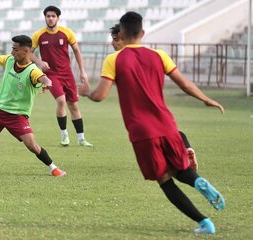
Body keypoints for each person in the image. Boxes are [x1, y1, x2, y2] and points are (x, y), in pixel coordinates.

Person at [79, 12, 225, 234]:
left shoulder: (114, 59)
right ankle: (198, 182)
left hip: (142, 131)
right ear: (142, 32)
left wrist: (86, 92)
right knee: (181, 168)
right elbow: (184, 84)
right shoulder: (159, 55)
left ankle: (205, 222)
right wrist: (206, 99)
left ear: (123, 33)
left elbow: (100, 95)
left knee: (164, 180)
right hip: (167, 125)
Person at [0, 35, 66, 177]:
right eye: (12, 49)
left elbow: (43, 78)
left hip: (17, 116)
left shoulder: (32, 71)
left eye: (15, 50)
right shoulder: (10, 60)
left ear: (26, 51)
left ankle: (54, 168)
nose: (12, 52)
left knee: (32, 146)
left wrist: (48, 83)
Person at [110, 24, 198, 170]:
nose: (113, 43)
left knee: (151, 136)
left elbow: (105, 88)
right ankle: (185, 150)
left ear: (124, 38)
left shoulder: (117, 59)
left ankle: (170, 163)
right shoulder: (152, 54)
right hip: (155, 101)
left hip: (138, 108)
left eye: (115, 39)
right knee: (167, 130)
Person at [31, 5, 93, 147]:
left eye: (53, 16)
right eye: (48, 16)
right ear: (45, 18)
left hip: (67, 74)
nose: (50, 18)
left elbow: (77, 51)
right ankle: (64, 135)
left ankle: (81, 139)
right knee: (61, 101)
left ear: (58, 18)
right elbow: (29, 53)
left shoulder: (67, 33)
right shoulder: (38, 35)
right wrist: (39, 61)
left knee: (74, 106)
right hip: (51, 75)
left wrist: (82, 71)